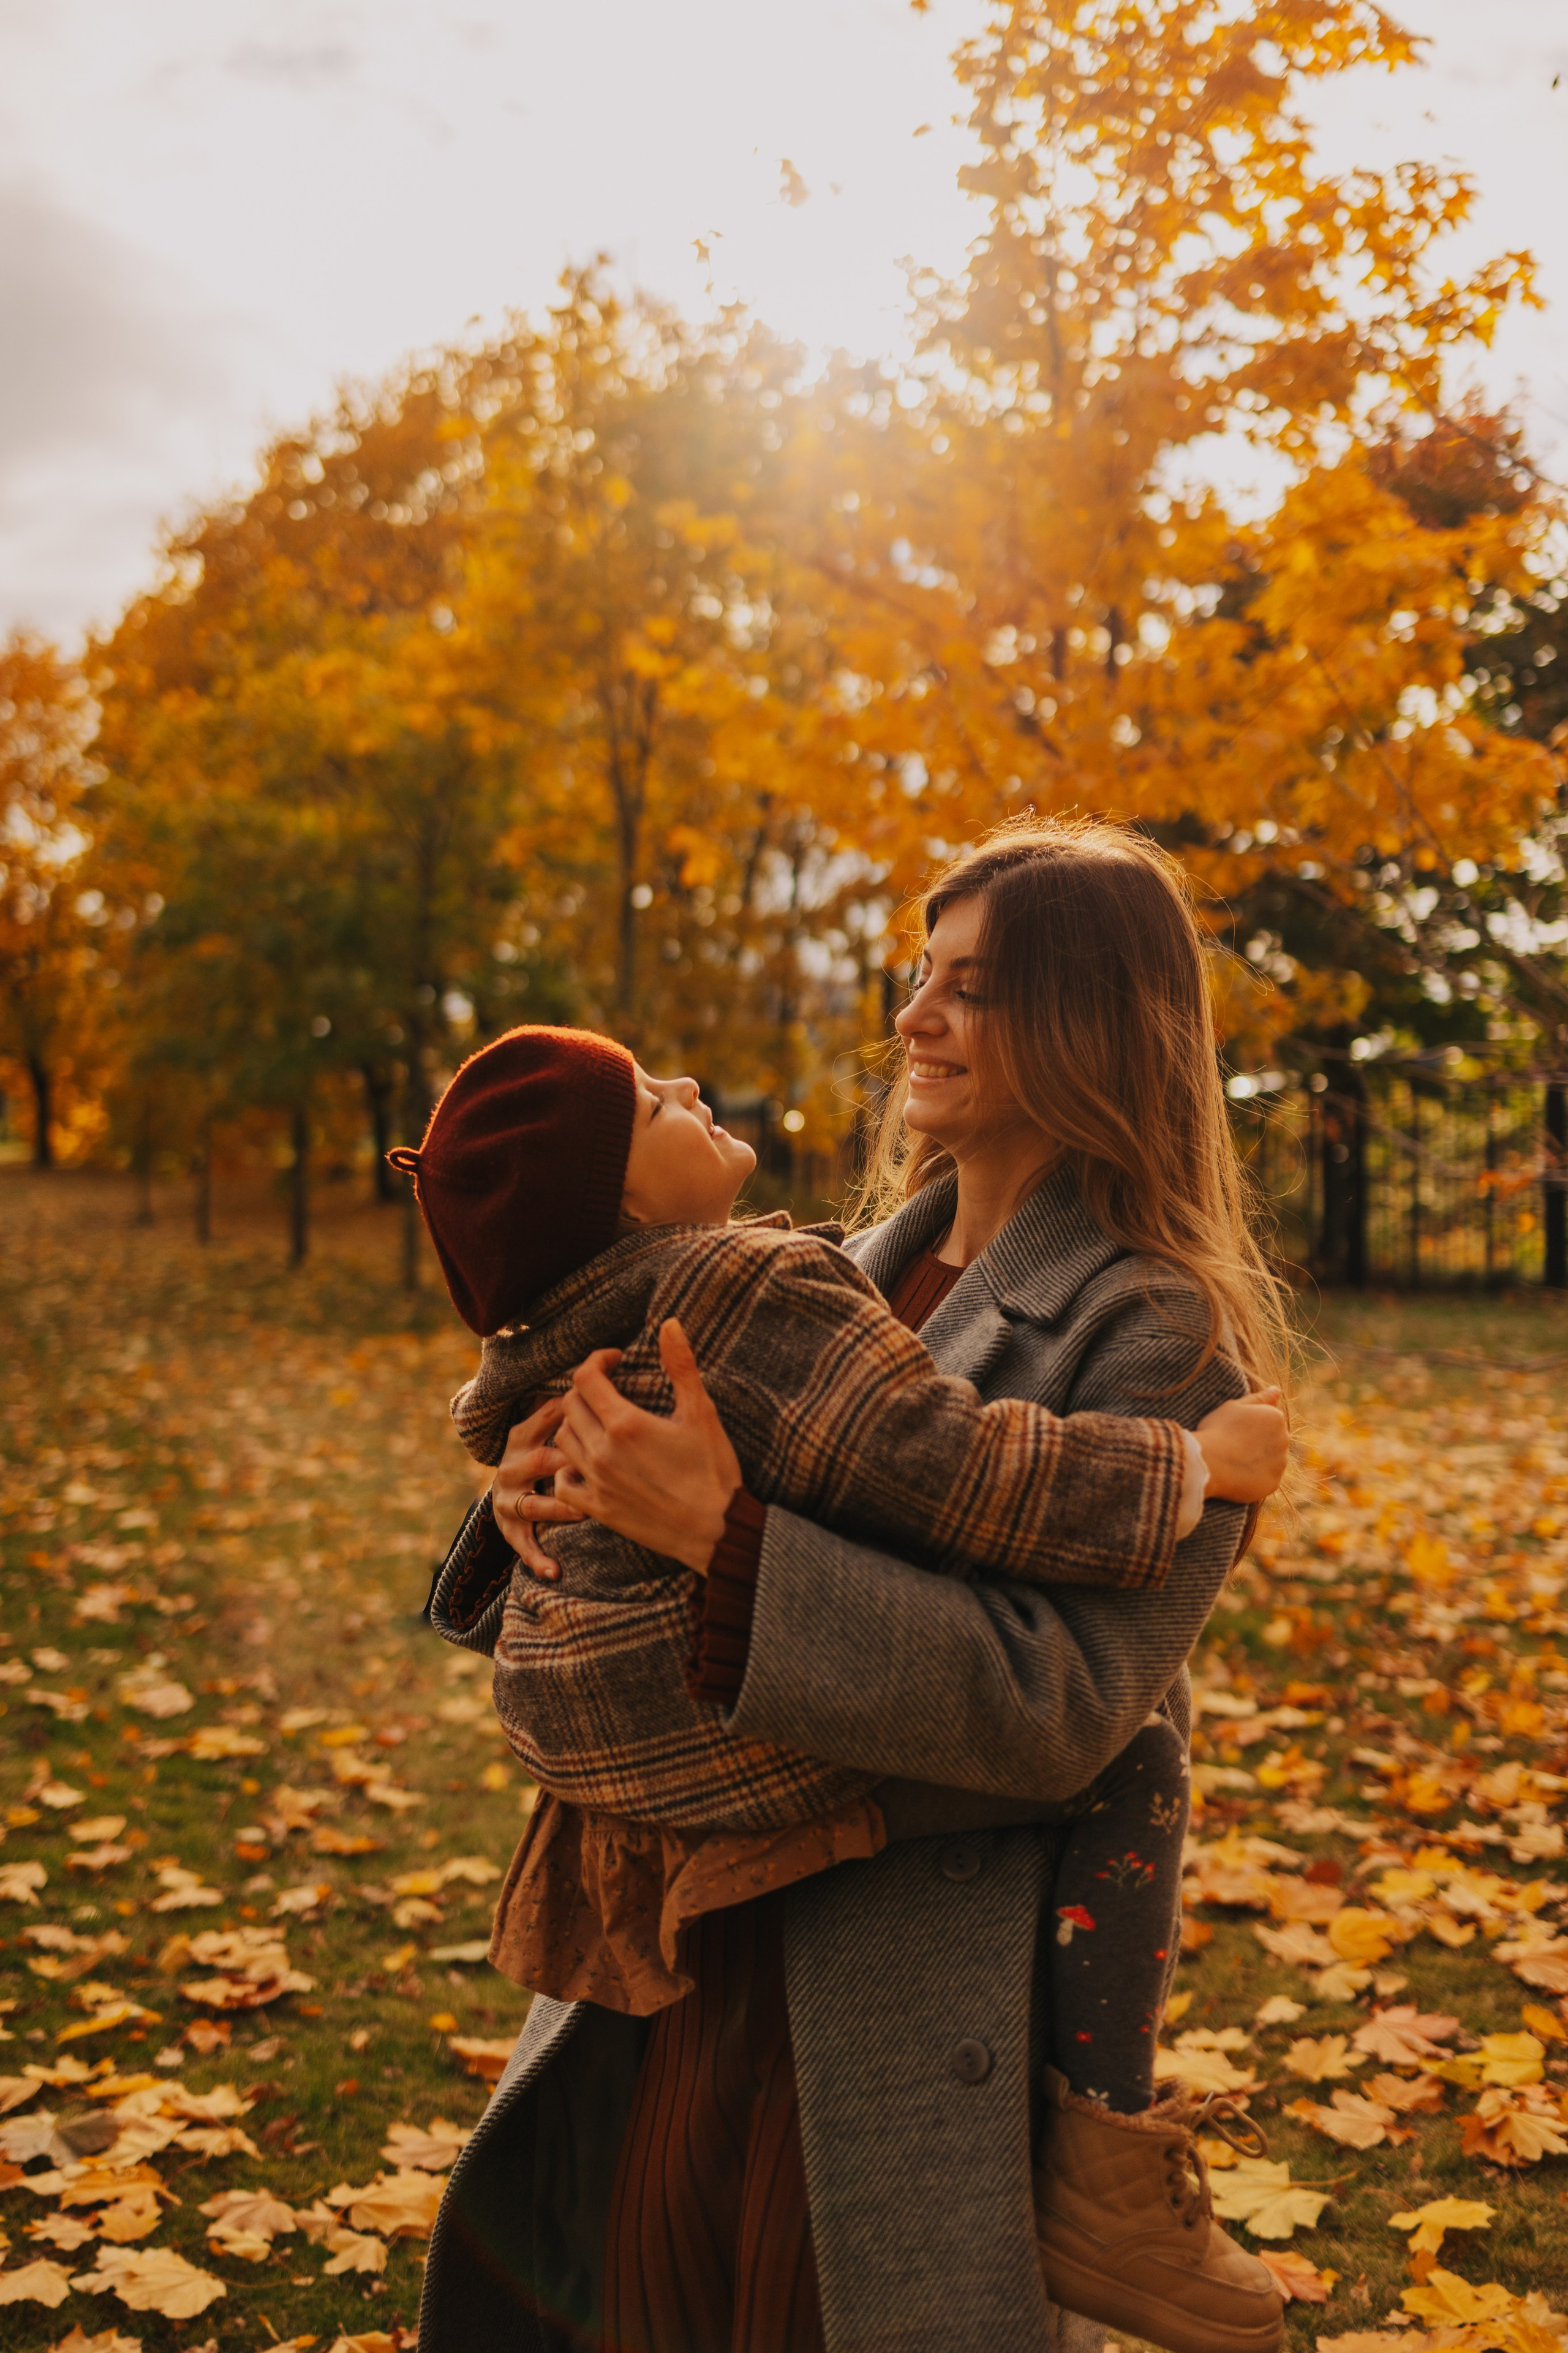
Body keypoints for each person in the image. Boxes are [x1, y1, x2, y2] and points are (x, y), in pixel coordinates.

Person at [417, 819, 1291, 2353]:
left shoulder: (1162, 1340)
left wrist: (728, 1545)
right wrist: (534, 1492)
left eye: (974, 987)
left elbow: (1062, 1713)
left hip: (887, 2021)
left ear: (1092, 1021)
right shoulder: (820, 1269)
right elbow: (607, 1546)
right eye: (920, 974)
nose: (916, 1018)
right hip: (674, 1972)